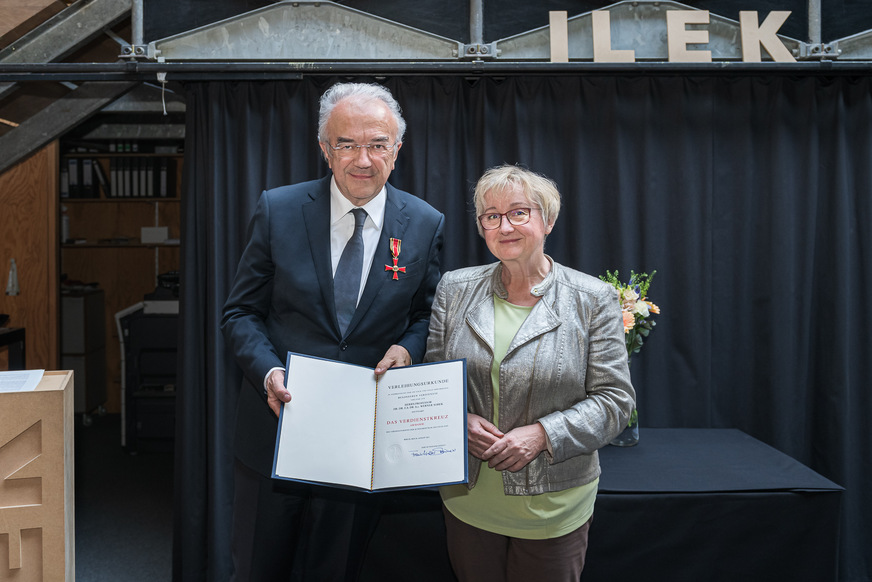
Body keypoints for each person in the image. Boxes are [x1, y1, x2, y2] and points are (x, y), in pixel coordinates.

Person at [221, 82, 445, 582]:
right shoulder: (278, 209)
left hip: (359, 444)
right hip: (275, 434)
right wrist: (267, 373)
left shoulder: (425, 223)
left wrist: (408, 351)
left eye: (377, 144)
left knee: (337, 571)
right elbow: (240, 313)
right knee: (259, 570)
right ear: (325, 149)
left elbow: (427, 315)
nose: (362, 159)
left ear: (397, 149)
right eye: (346, 144)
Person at [424, 164, 635, 581]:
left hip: (553, 504)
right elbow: (434, 380)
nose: (505, 226)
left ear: (548, 220)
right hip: (467, 498)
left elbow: (616, 402)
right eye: (491, 216)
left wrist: (543, 435)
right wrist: (456, 419)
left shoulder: (593, 298)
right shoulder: (454, 288)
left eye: (519, 212)